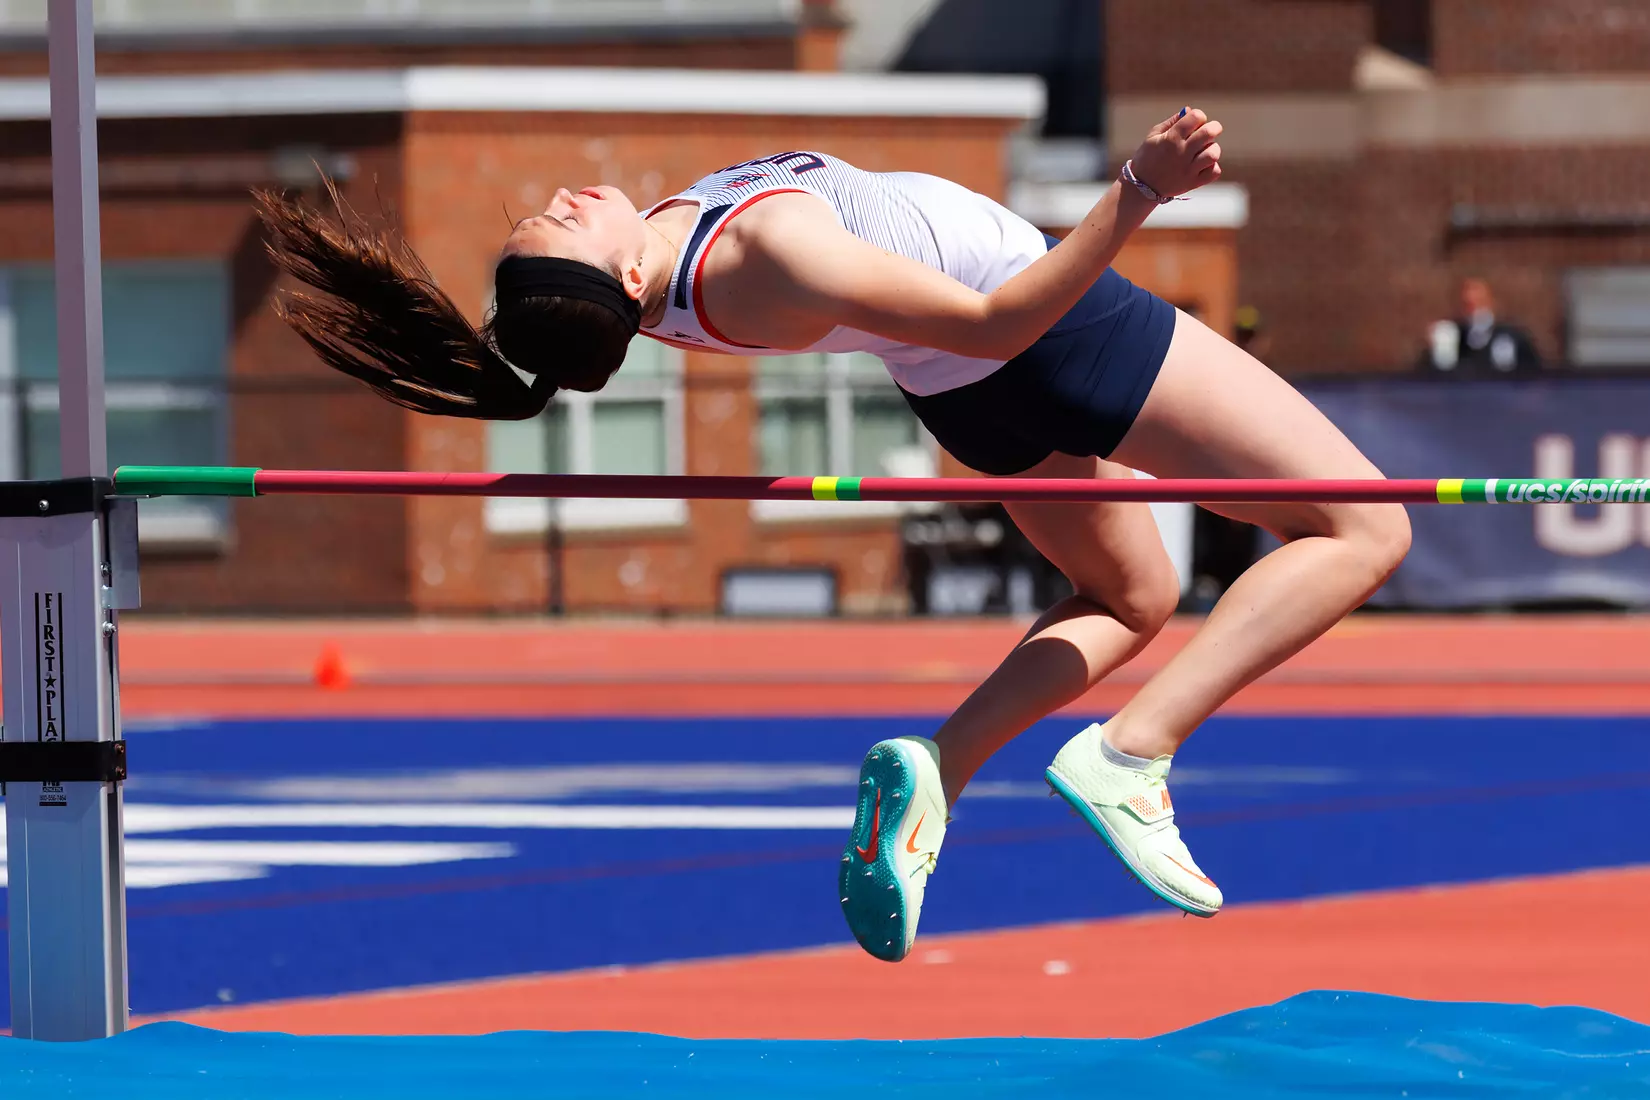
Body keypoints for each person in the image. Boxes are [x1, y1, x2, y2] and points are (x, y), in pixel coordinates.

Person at [256, 107, 1411, 964]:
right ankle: (1135, 749)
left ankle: (938, 776)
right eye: (557, 224)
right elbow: (1001, 314)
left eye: (540, 216)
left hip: (965, 394)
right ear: (614, 270)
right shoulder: (764, 261)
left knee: (1133, 596)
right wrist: (1138, 189)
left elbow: (589, 305)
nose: (560, 199)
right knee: (1366, 527)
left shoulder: (652, 264)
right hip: (1051, 335)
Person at [1418, 277, 1543, 376]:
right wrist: (1436, 350)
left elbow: (1534, 374)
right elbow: (1429, 376)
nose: (1474, 311)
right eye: (1468, 305)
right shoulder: (1451, 336)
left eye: (1479, 303)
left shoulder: (1512, 336)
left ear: (1491, 301)